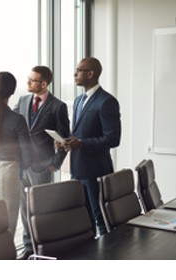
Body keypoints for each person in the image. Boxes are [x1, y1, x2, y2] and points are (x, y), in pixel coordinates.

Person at [0, 71, 43, 256]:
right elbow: (28, 155)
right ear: (11, 91)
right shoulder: (17, 119)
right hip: (7, 175)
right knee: (7, 230)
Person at [12, 65, 70, 258]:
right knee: (24, 208)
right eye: (28, 78)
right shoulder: (22, 100)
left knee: (41, 210)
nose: (28, 82)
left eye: (32, 80)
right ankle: (28, 248)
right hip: (23, 165)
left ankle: (43, 249)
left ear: (44, 84)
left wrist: (55, 163)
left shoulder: (58, 106)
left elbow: (65, 138)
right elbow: (10, 121)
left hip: (42, 167)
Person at [63, 57, 121, 235]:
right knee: (83, 222)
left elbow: (113, 139)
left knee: (101, 219)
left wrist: (81, 143)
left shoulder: (106, 101)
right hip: (77, 170)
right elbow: (79, 133)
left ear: (90, 74)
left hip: (96, 171)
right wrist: (66, 142)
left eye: (79, 70)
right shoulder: (79, 100)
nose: (75, 74)